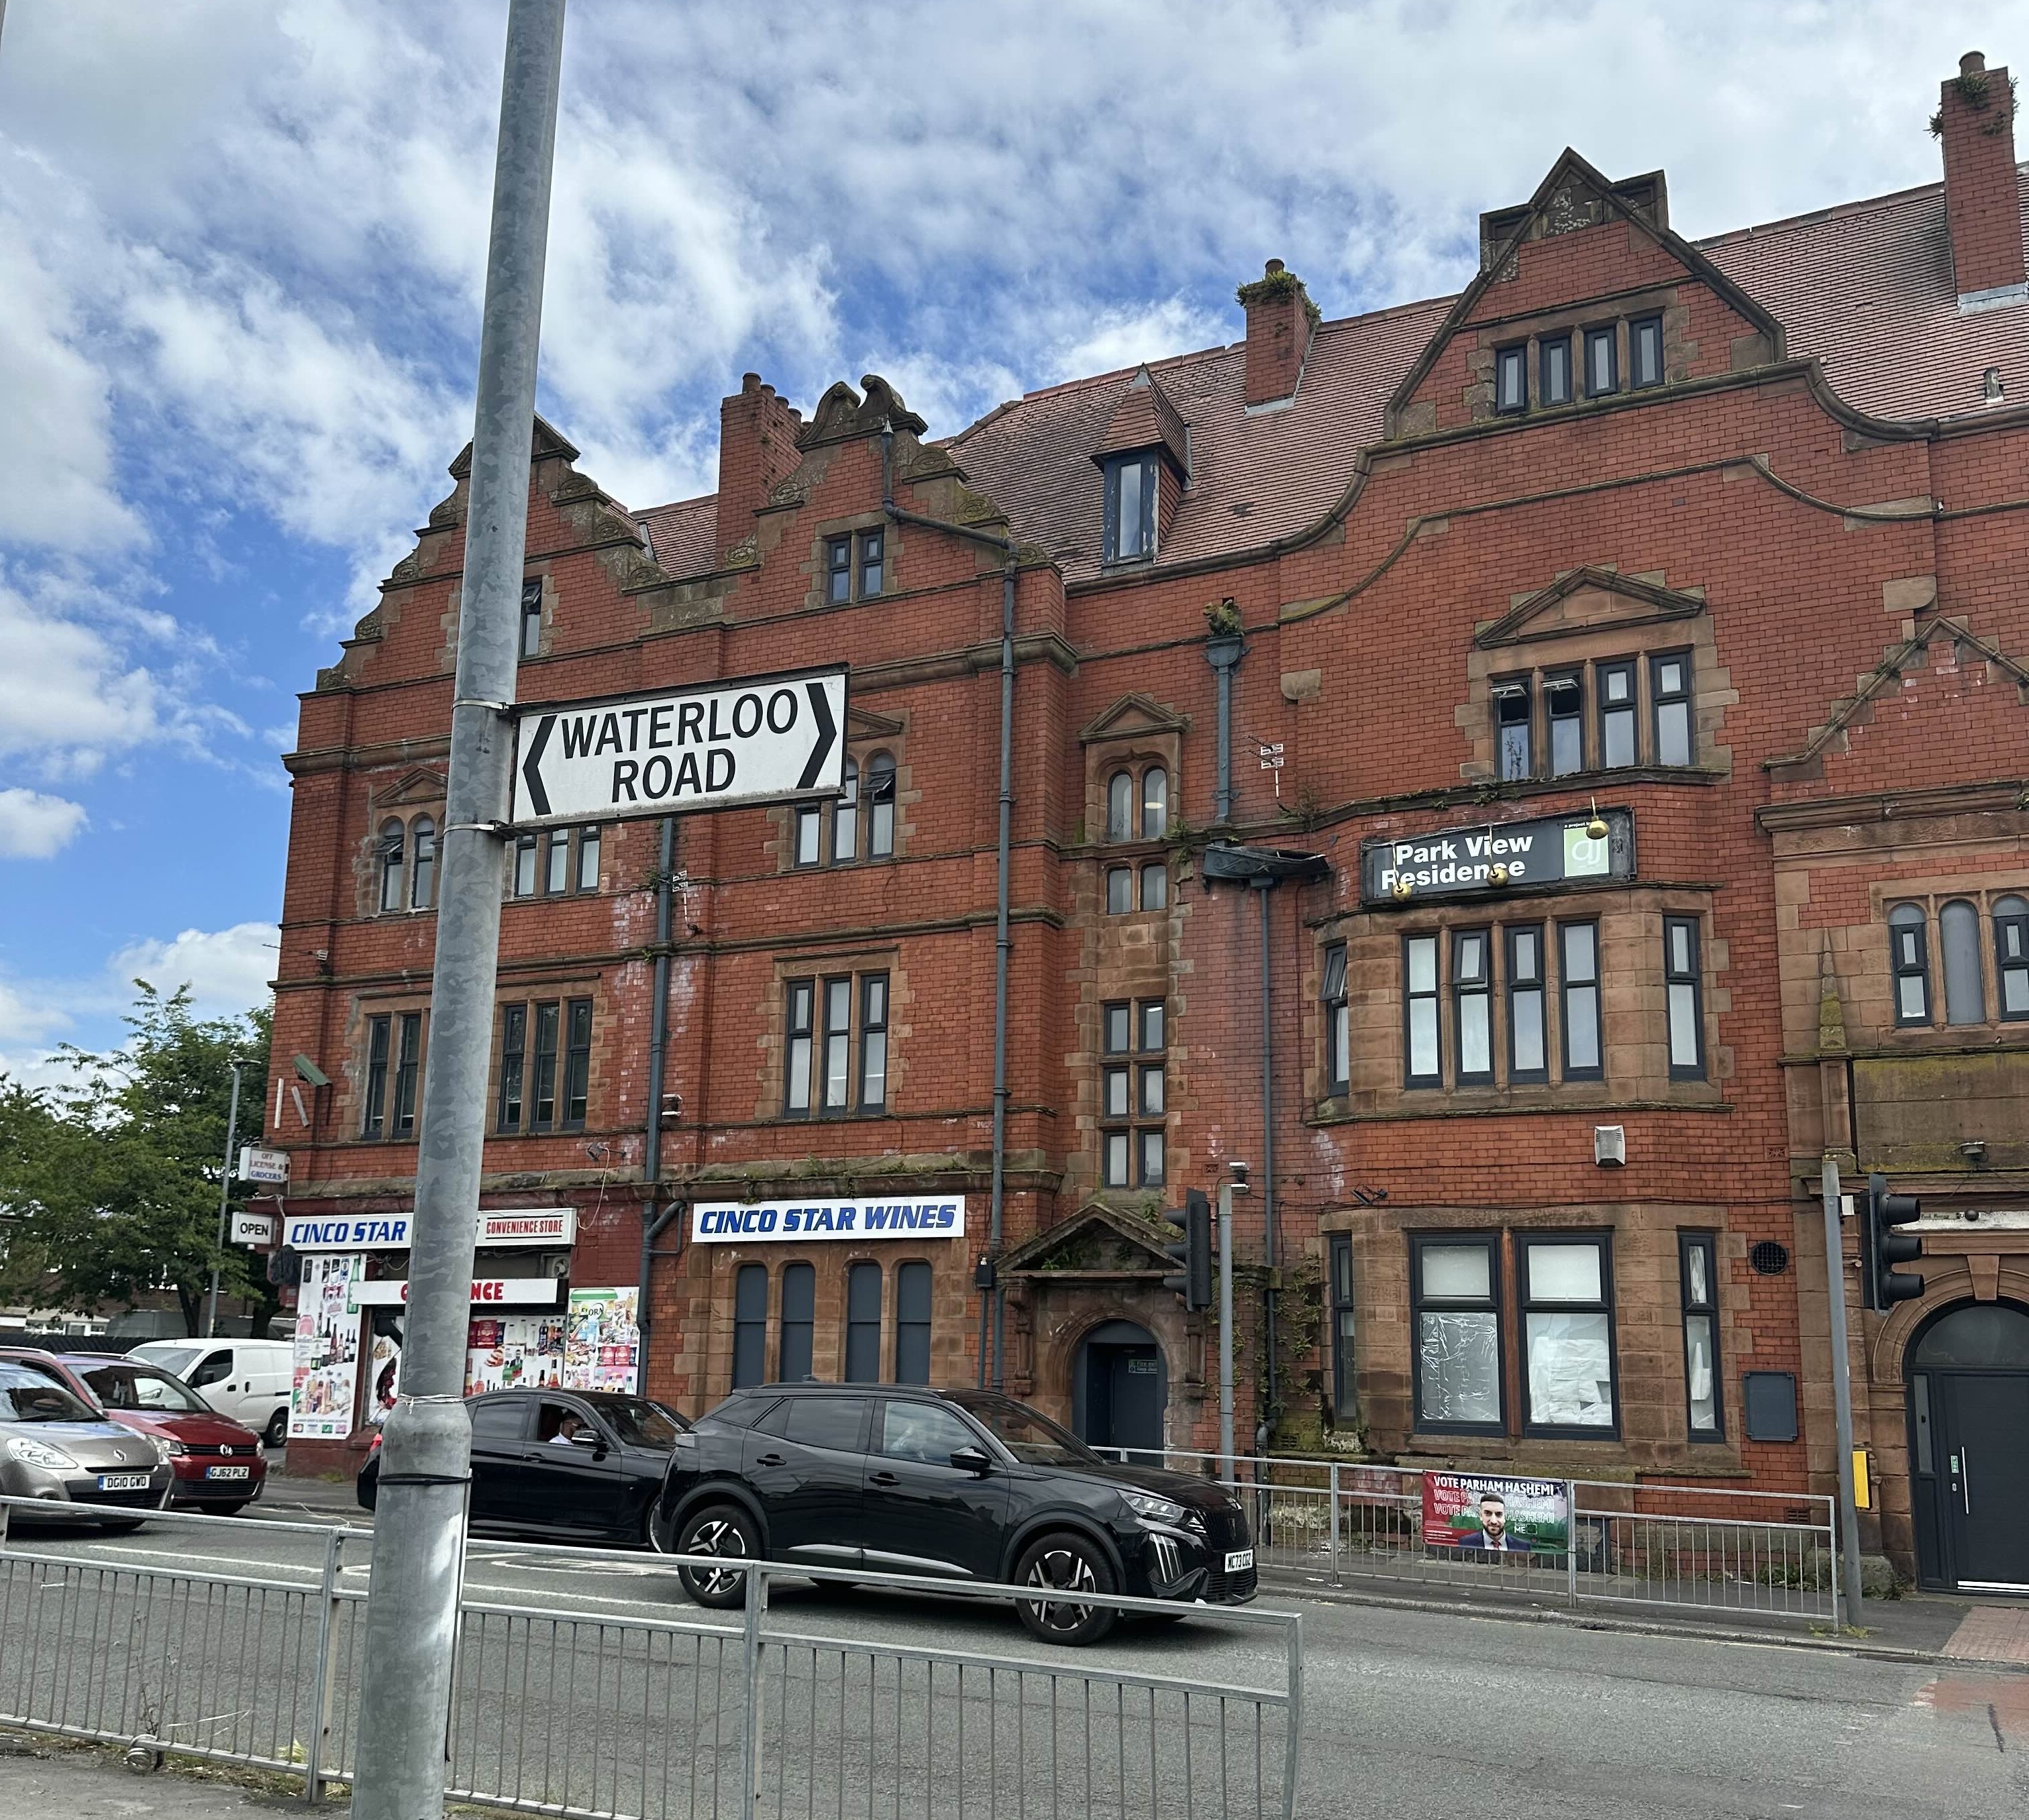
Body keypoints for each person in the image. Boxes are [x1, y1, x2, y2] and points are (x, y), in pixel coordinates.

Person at [1453, 1490, 1534, 1551]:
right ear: (1481, 1516)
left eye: (1499, 1514)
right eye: (1488, 1514)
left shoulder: (1523, 1546)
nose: (1494, 1521)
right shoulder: (1466, 1543)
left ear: (1505, 1517)